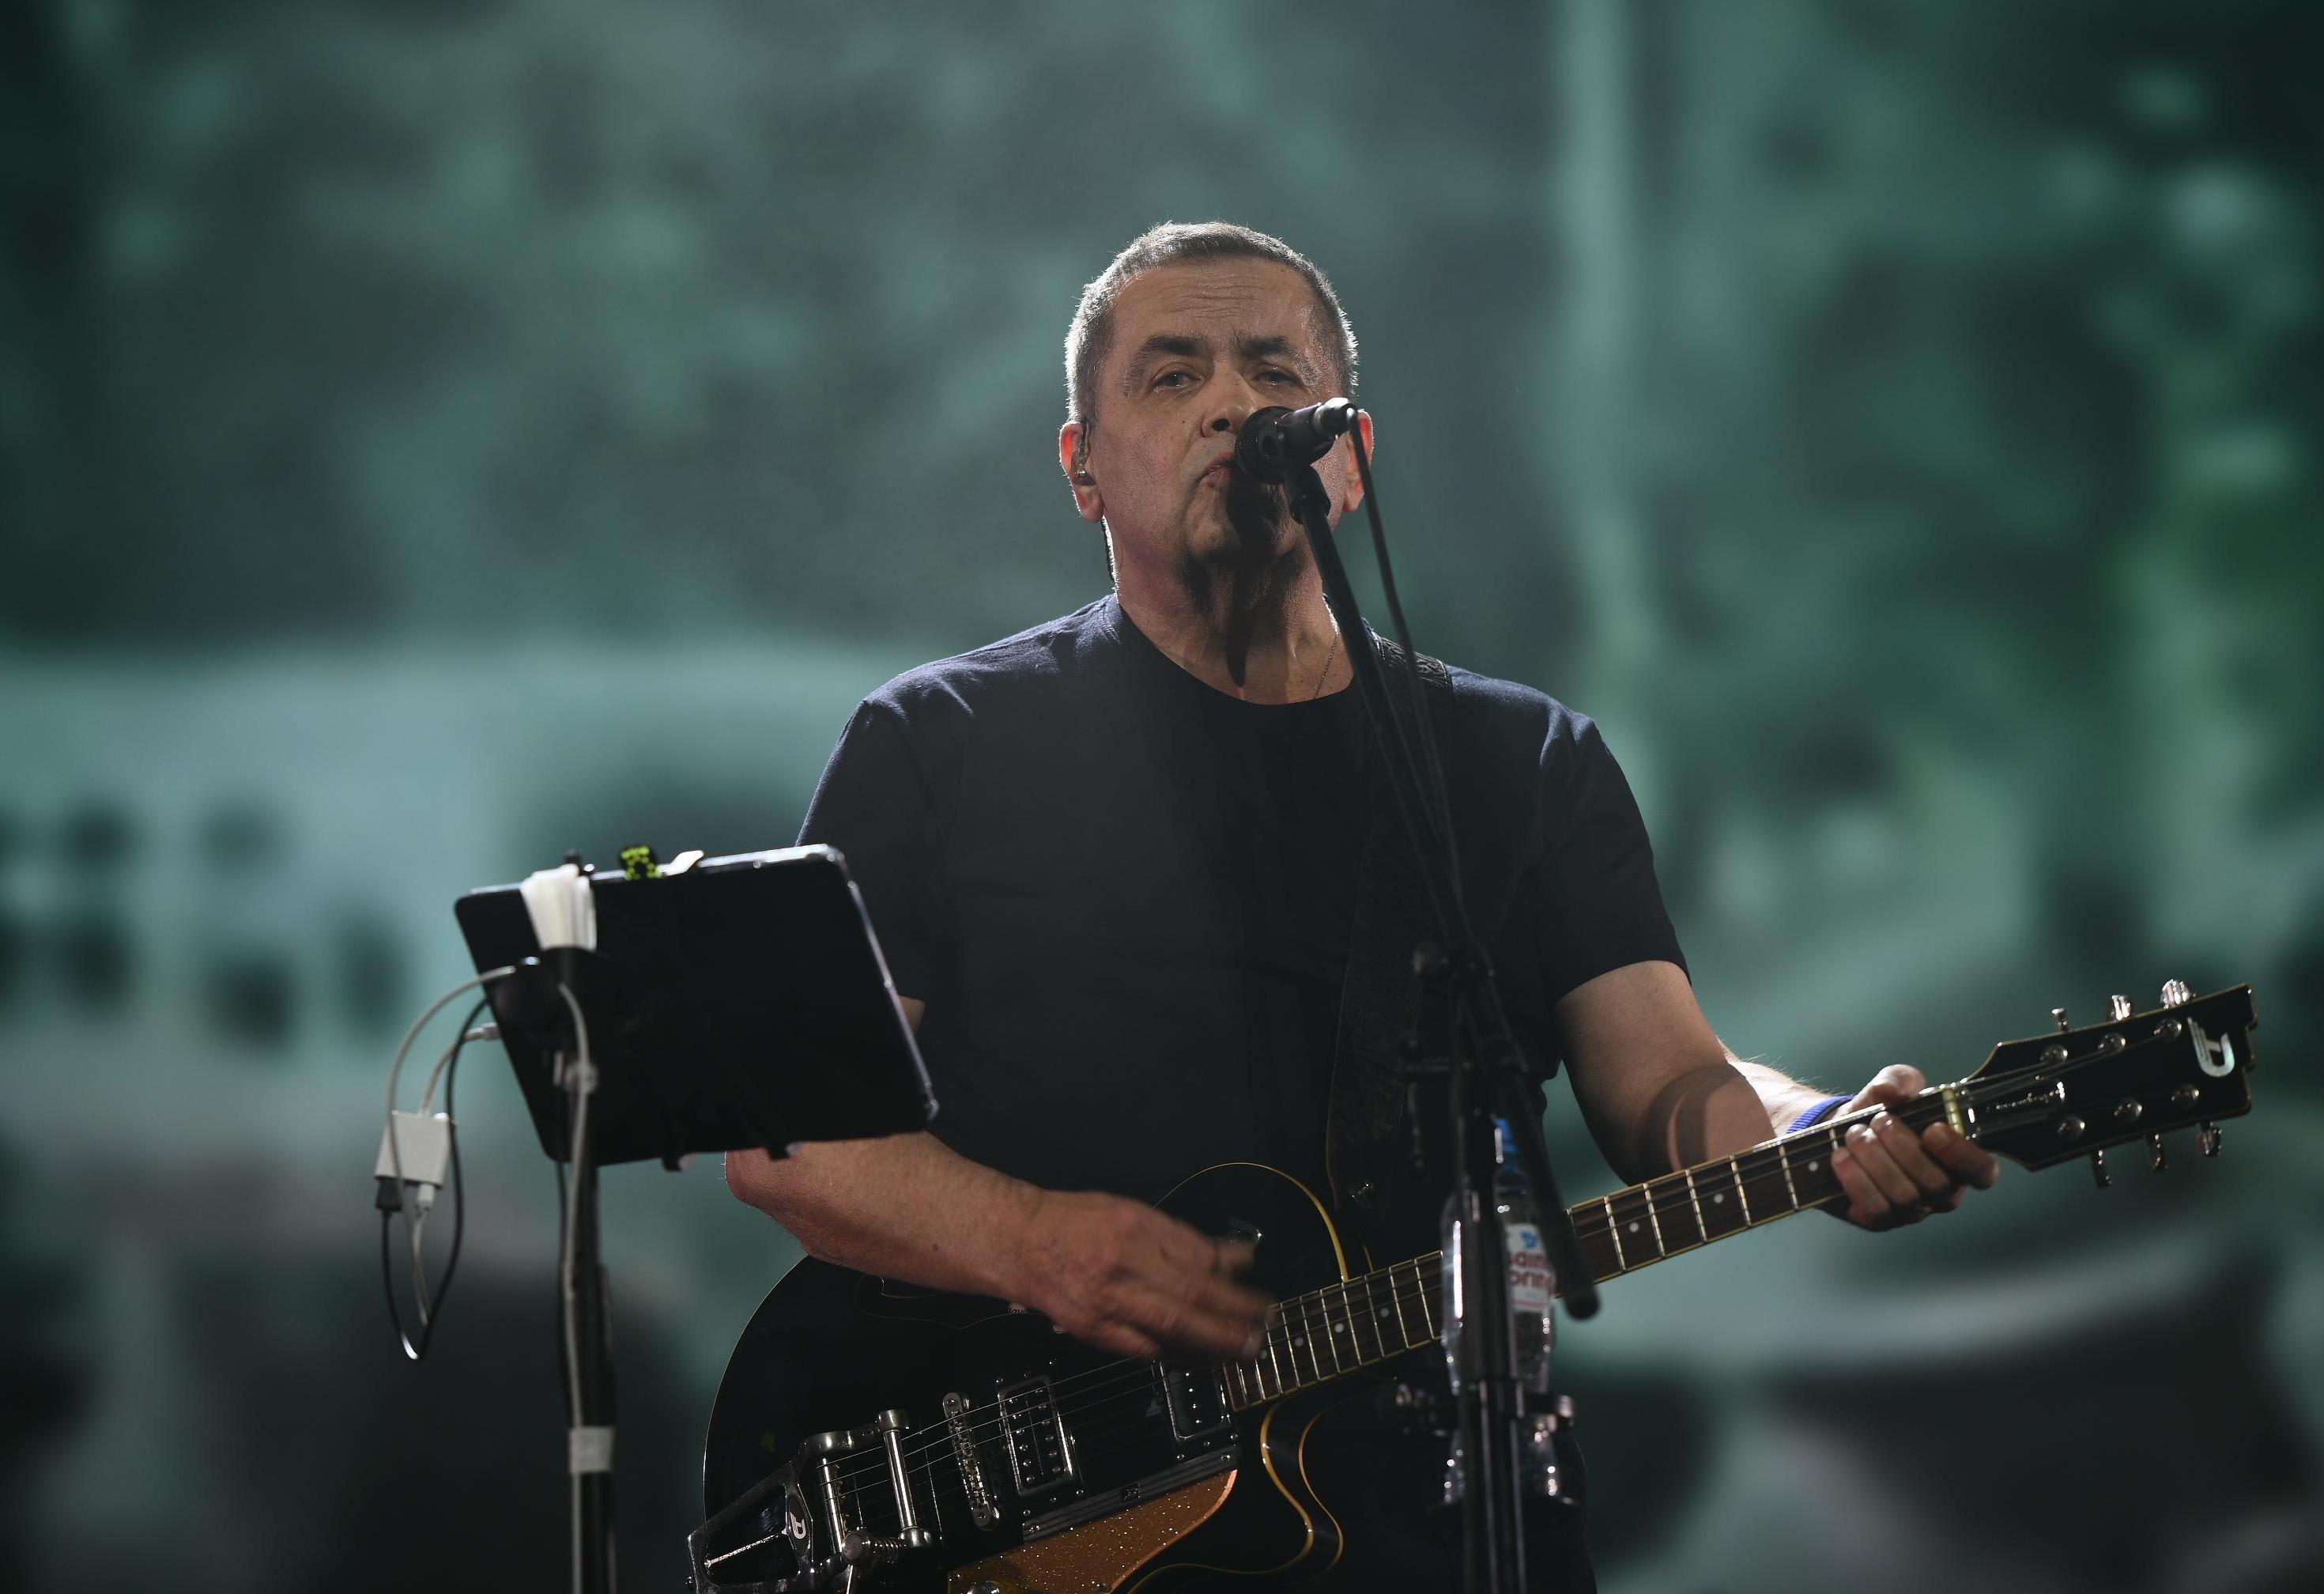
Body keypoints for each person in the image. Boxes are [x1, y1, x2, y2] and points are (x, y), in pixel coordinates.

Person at [726, 221, 1998, 1590]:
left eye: (1276, 372)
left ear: (1350, 454)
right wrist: (1038, 1247)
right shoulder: (942, 743)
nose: (1232, 403)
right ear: (1082, 465)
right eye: (1173, 375)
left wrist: (1816, 1133)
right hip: (1037, 1520)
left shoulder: (1519, 763)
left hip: (1441, 1515)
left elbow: (1666, 1084)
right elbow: (793, 1147)